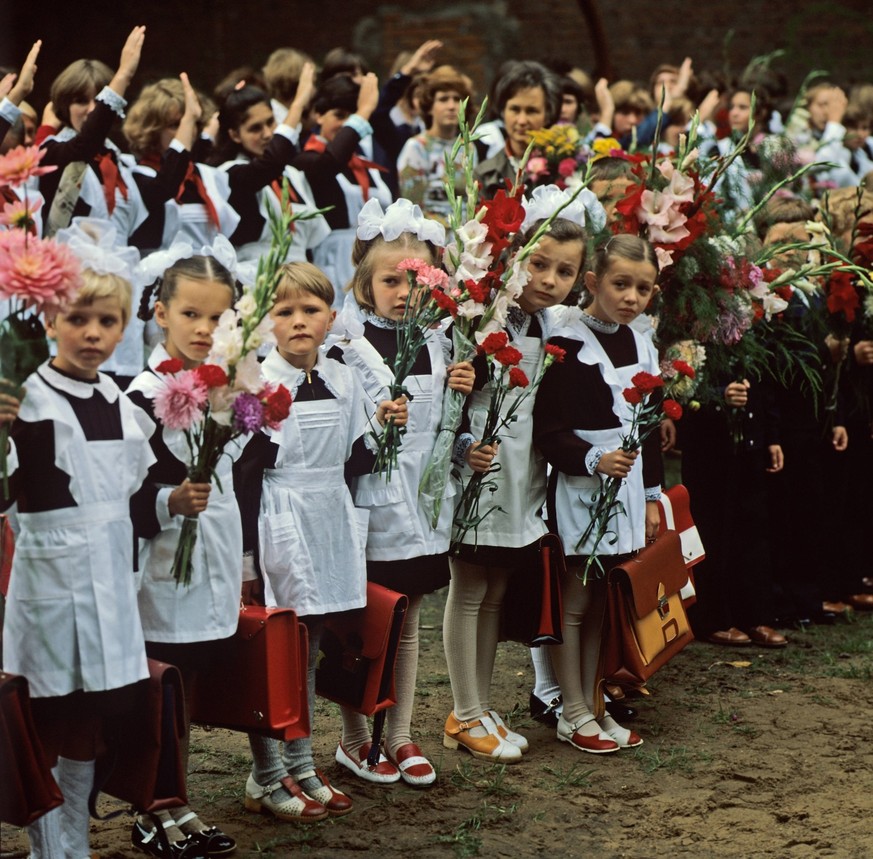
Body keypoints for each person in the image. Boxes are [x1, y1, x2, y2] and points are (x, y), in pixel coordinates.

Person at [1, 240, 156, 859]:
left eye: (107, 321)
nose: (92, 333)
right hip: (48, 583)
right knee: (48, 715)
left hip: (110, 581)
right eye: (78, 319)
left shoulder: (120, 403)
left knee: (91, 721)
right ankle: (48, 847)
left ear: (123, 326)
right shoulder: (25, 400)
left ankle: (77, 840)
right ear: (50, 321)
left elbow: (136, 493)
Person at [237, 261, 406, 822]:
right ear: (267, 322)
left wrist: (386, 426)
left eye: (311, 310)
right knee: (274, 649)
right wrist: (245, 558)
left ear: (331, 318)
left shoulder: (342, 377)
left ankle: (303, 761)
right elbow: (243, 476)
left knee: (309, 648)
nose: (299, 321)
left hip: (328, 517)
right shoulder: (257, 384)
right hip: (279, 519)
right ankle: (267, 773)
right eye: (285, 311)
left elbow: (355, 457)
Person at [443, 185, 601, 763]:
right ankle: (464, 710)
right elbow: (451, 398)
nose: (550, 279)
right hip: (482, 464)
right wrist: (463, 448)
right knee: (469, 585)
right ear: (515, 257)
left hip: (521, 471)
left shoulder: (544, 323)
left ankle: (478, 706)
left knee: (497, 587)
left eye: (564, 271)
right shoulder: (483, 315)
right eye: (539, 264)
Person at [328, 199, 473, 786]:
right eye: (389, 279)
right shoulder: (343, 344)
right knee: (361, 620)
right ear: (364, 280)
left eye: (415, 280)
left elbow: (446, 427)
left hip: (419, 502)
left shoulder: (440, 343)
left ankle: (401, 733)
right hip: (363, 501)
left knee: (406, 615)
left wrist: (465, 442)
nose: (403, 291)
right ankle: (355, 736)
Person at [127, 251, 242, 857]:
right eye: (190, 314)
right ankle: (152, 806)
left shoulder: (224, 386)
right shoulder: (144, 397)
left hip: (211, 559)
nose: (204, 329)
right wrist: (168, 500)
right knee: (162, 686)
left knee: (189, 684)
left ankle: (178, 795)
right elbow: (119, 490)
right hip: (163, 566)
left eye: (217, 318)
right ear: (161, 313)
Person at [533, 234, 662, 754]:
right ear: (592, 282)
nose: (631, 297)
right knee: (575, 600)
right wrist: (590, 459)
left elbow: (647, 424)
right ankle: (571, 708)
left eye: (643, 288)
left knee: (605, 603)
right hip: (582, 485)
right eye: (620, 284)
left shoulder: (642, 338)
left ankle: (592, 701)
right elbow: (549, 429)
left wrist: (652, 494)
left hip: (626, 486)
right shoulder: (566, 339)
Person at [212, 66, 330, 271]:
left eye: (270, 122)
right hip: (257, 279)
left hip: (302, 279)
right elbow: (269, 165)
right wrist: (298, 104)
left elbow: (311, 244)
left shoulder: (293, 176)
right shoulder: (229, 174)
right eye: (255, 128)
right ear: (235, 135)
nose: (267, 134)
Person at [38, 27, 148, 240]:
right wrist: (123, 75)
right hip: (66, 270)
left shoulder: (121, 162)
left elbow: (165, 188)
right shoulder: (52, 151)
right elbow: (84, 146)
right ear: (64, 106)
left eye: (97, 101)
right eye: (81, 101)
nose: (91, 109)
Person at [293, 72, 391, 300]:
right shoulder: (308, 160)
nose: (346, 124)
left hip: (374, 266)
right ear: (318, 115)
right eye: (339, 115)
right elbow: (329, 164)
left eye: (352, 117)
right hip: (332, 267)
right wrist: (362, 113)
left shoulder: (369, 165)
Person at [124, 74, 240, 252]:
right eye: (175, 125)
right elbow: (167, 184)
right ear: (153, 130)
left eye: (190, 123)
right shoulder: (140, 177)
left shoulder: (207, 176)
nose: (187, 130)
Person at [397, 66, 476, 223]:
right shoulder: (417, 146)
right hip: (430, 234)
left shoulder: (468, 147)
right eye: (443, 99)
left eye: (456, 99)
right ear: (430, 106)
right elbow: (412, 208)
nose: (452, 106)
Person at [474, 61, 561, 199]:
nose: (521, 121)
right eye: (514, 109)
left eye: (532, 111)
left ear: (548, 115)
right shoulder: (485, 173)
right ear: (502, 111)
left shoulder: (563, 167)